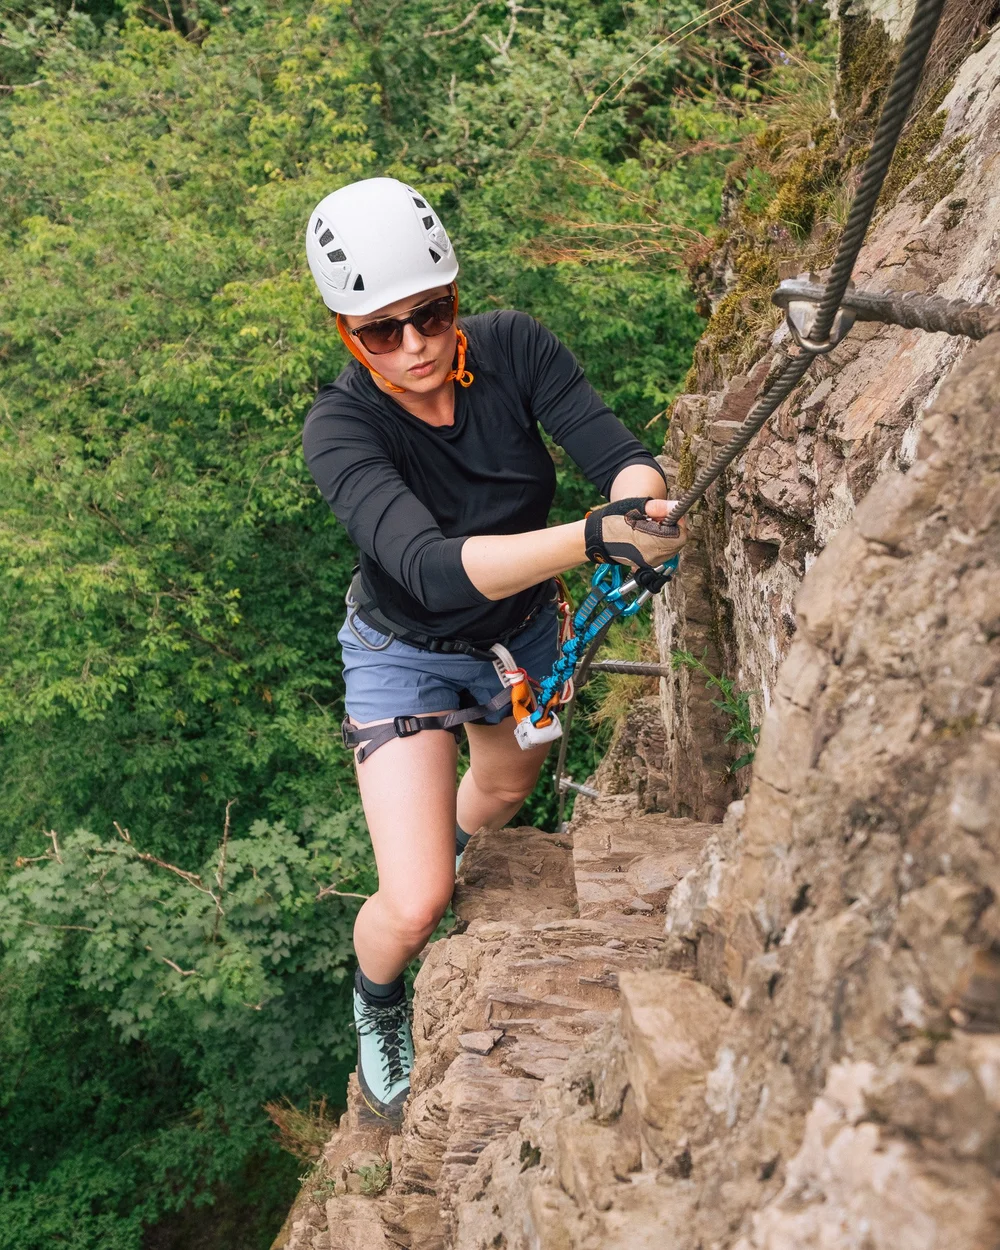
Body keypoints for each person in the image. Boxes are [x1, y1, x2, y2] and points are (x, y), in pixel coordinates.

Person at [302, 177, 687, 1125]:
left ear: (455, 296)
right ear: (344, 332)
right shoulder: (341, 428)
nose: (416, 344)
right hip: (405, 652)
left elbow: (618, 453)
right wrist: (596, 537)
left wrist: (643, 502)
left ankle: (449, 838)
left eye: (429, 313)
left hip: (521, 639)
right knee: (418, 896)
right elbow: (430, 572)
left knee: (508, 794)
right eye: (380, 330)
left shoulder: (514, 345)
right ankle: (377, 996)